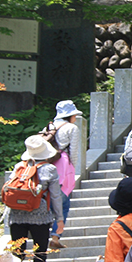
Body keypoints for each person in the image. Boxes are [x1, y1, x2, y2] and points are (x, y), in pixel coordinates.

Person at [8, 135, 65, 262]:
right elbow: (55, 196)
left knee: (17, 248)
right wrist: (59, 218)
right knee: (40, 250)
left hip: (17, 215)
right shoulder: (49, 169)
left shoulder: (19, 166)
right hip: (40, 216)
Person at [47, 100, 81, 248]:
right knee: (63, 203)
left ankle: (45, 233)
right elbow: (73, 151)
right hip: (62, 165)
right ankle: (55, 236)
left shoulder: (49, 126)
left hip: (47, 165)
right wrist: (73, 167)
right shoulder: (72, 128)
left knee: (48, 201)